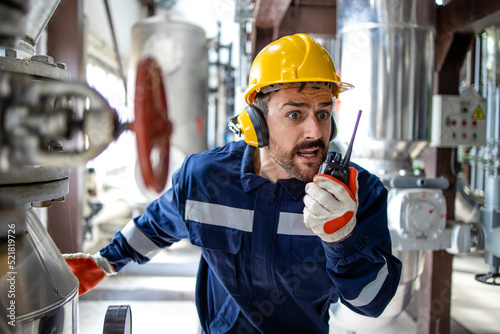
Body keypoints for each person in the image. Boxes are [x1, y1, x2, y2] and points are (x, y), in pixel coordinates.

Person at [65, 33, 402, 334]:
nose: (315, 132)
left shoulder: (357, 193)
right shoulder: (207, 178)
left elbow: (371, 303)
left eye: (324, 113)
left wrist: (343, 238)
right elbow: (155, 226)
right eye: (295, 114)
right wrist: (102, 263)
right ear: (257, 122)